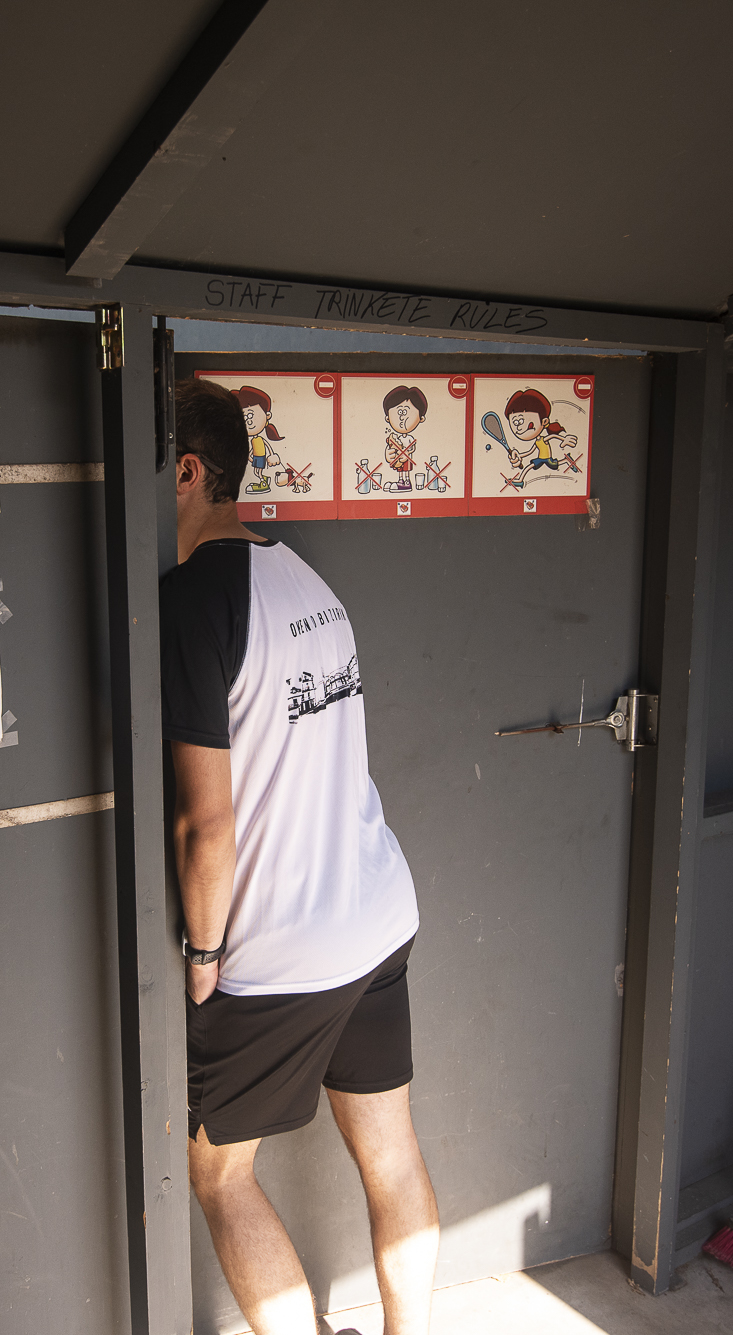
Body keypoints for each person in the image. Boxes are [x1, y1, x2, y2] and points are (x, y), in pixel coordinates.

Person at [160, 379, 438, 1335]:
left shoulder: (192, 601)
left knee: (220, 1174)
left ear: (186, 471)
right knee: (391, 1154)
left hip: (282, 949)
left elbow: (206, 823)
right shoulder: (309, 583)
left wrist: (204, 955)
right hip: (376, 915)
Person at [236, 384, 287, 495]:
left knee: (257, 472)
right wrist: (249, 457)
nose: (248, 421)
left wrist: (272, 455)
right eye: (244, 417)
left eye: (251, 415)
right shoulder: (253, 440)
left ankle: (263, 482)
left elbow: (267, 446)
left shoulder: (260, 439)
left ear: (267, 416)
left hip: (261, 458)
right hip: (257, 458)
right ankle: (264, 481)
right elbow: (252, 450)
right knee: (256, 472)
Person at [381, 385, 427, 492]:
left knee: (406, 470)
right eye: (399, 412)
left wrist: (407, 452)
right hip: (399, 459)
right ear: (387, 417)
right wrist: (388, 455)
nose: (402, 417)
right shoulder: (396, 438)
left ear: (421, 418)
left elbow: (412, 448)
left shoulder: (410, 438)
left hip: (407, 459)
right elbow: (391, 449)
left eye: (406, 412)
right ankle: (400, 481)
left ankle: (407, 482)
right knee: (400, 470)